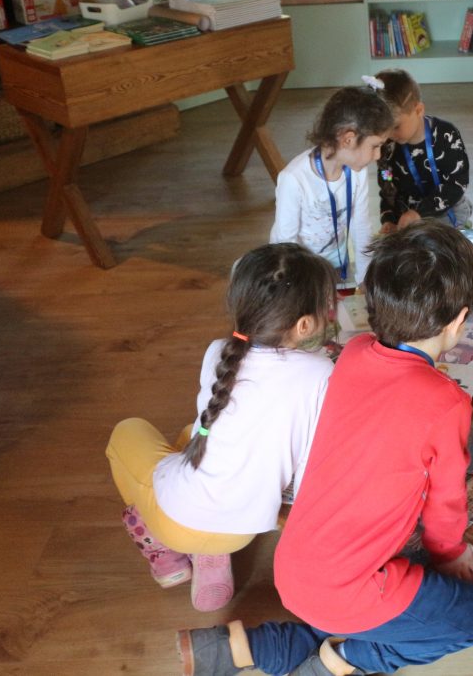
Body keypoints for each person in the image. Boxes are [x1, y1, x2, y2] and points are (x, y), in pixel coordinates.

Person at [179, 221, 473, 676]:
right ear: (459, 320)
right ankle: (343, 662)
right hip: (349, 589)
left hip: (296, 568)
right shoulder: (447, 403)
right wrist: (452, 555)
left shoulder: (355, 351)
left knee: (374, 602)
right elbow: (445, 508)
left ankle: (253, 647)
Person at [105, 243, 336, 612]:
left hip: (175, 517)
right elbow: (310, 463)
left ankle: (162, 549)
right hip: (242, 531)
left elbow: (212, 419)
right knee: (191, 433)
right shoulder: (322, 372)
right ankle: (210, 553)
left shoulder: (218, 352)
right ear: (305, 325)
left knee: (127, 431)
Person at [270, 82, 395, 287]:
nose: (378, 155)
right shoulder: (293, 179)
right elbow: (285, 245)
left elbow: (361, 226)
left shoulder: (357, 172)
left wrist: (364, 277)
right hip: (298, 268)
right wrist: (297, 288)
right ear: (348, 139)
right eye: (375, 146)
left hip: (335, 261)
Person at [374, 68, 473, 232]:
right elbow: (387, 186)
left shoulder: (446, 134)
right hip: (407, 219)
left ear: (419, 110)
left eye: (395, 126)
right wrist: (388, 218)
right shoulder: (386, 147)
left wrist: (419, 213)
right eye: (383, 128)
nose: (388, 135)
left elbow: (457, 182)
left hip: (448, 212)